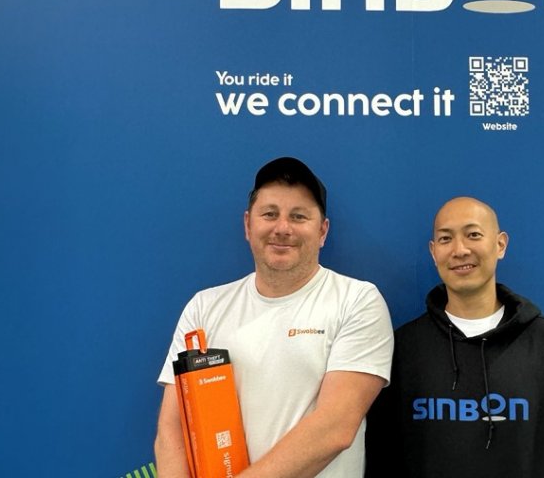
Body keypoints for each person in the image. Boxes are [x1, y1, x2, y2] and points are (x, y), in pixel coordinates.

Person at [155, 157, 393, 478]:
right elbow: (172, 432)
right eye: (269, 214)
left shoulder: (357, 301)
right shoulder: (204, 308)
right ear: (248, 225)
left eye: (298, 216)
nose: (282, 228)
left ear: (323, 231)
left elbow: (335, 428)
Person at [366, 197, 544, 477]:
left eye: (473, 235)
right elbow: (381, 457)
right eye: (445, 239)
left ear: (500, 244)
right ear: (433, 251)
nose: (459, 250)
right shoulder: (405, 346)